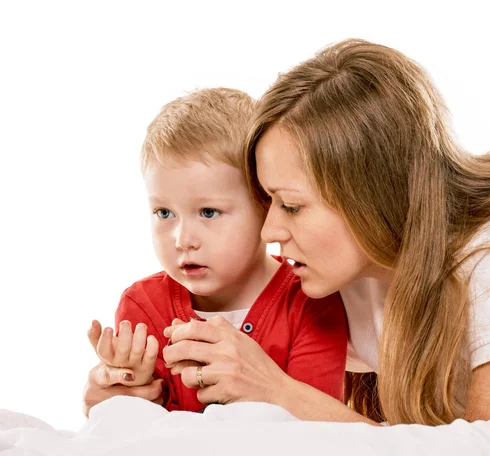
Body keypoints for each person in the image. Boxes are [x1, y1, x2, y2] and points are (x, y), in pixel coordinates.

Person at [160, 39, 490, 426]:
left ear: (372, 195)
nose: (271, 230)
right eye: (268, 202)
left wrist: (279, 392)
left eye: (292, 206)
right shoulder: (347, 281)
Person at [83, 88, 348, 415]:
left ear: (266, 206)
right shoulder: (142, 306)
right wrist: (133, 396)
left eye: (208, 212)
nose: (182, 239)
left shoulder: (312, 304)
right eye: (164, 213)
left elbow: (322, 429)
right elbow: (147, 432)